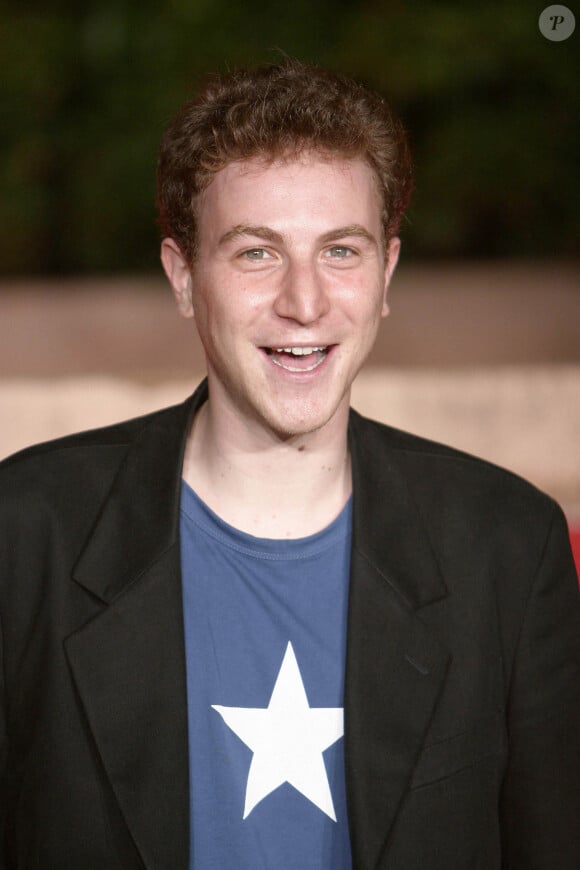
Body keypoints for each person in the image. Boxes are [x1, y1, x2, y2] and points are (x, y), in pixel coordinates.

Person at [0, 59, 578, 870]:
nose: (304, 303)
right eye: (256, 253)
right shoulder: (25, 534)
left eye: (341, 251)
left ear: (386, 274)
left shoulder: (510, 548)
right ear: (182, 277)